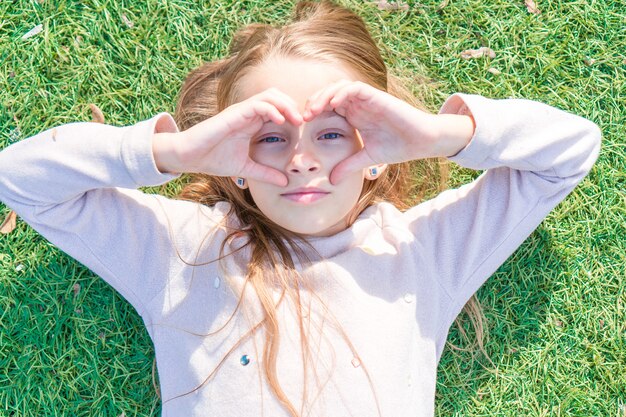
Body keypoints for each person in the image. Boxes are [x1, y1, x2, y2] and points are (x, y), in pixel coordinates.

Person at [0, 1, 601, 416]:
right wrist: (175, 152)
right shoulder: (180, 250)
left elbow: (571, 150)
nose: (301, 160)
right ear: (231, 157)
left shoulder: (423, 252)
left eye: (333, 133)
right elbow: (20, 180)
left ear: (378, 149)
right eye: (269, 135)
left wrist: (437, 135)